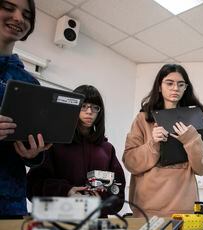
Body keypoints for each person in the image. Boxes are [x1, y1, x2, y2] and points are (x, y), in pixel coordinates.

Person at [123, 64, 203, 217]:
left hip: (183, 208)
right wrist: (153, 143)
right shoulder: (143, 119)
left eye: (180, 84)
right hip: (147, 209)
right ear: (159, 86)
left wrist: (191, 140)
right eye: (169, 83)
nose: (175, 88)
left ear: (186, 88)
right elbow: (130, 162)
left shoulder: (197, 120)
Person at [27, 85, 126, 217]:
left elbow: (117, 191)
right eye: (83, 106)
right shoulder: (53, 144)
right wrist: (67, 191)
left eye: (95, 107)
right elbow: (34, 184)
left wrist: (98, 202)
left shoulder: (107, 149)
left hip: (96, 222)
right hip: (58, 221)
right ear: (72, 108)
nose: (89, 111)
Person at [0, 0, 51, 217]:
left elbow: (32, 156)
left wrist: (33, 154)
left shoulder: (29, 83)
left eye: (27, 15)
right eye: (8, 8)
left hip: (9, 203)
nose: (19, 18)